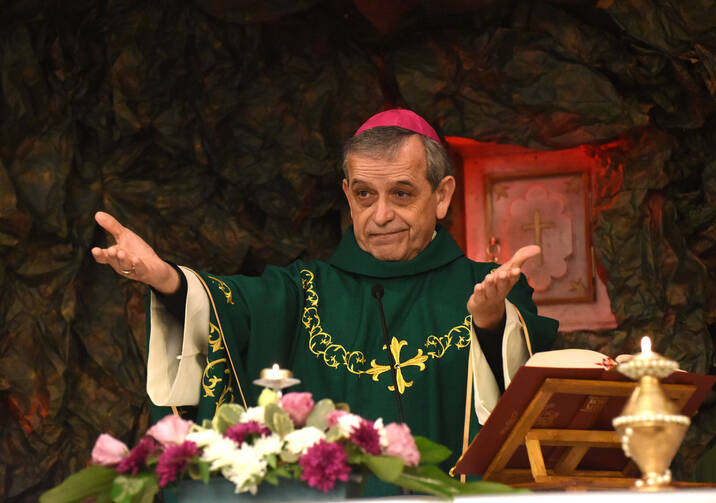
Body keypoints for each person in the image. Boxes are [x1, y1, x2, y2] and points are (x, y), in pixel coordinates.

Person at [92, 109, 558, 494]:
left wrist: (493, 324)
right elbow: (223, 306)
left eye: (401, 194)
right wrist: (168, 279)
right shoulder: (302, 290)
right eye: (364, 195)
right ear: (347, 197)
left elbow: (538, 422)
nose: (381, 215)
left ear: (442, 196)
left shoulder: (491, 287)